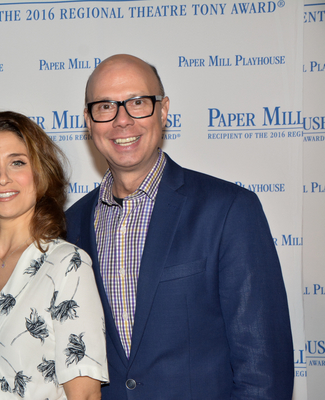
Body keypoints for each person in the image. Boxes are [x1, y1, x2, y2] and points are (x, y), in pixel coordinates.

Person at [65, 54, 294, 399]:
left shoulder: (229, 210)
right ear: (88, 120)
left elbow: (262, 368)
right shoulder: (71, 224)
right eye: (105, 106)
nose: (121, 120)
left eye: (137, 103)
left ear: (163, 110)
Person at [0, 111, 108, 400]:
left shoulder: (67, 265)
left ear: (39, 173)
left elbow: (84, 396)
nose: (3, 178)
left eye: (17, 163)